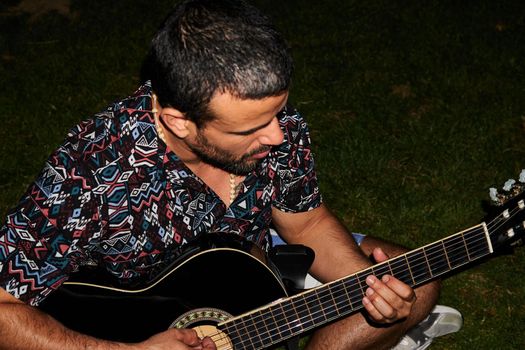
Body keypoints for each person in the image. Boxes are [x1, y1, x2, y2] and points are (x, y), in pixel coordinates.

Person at [0, 0, 462, 349]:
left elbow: (306, 222)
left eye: (278, 113)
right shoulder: (90, 171)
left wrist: (370, 287)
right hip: (141, 318)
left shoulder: (272, 126)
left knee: (415, 283)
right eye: (253, 127)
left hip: (249, 272)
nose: (279, 136)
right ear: (180, 121)